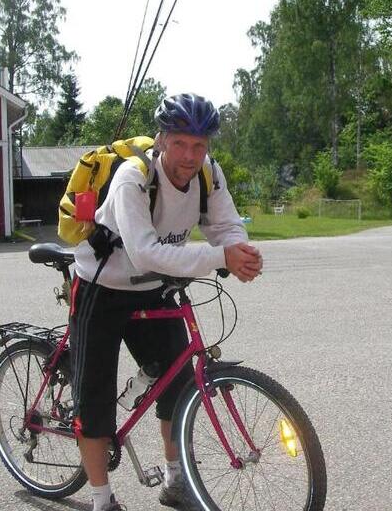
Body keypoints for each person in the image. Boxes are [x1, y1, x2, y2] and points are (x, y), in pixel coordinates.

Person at [69, 93, 263, 511]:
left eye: (199, 145)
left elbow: (226, 224)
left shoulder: (209, 174)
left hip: (154, 287)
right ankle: (102, 500)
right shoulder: (132, 178)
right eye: (180, 143)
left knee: (178, 386)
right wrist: (218, 257)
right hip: (102, 287)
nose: (190, 155)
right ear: (161, 140)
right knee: (95, 398)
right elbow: (146, 252)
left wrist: (238, 250)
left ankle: (177, 482)